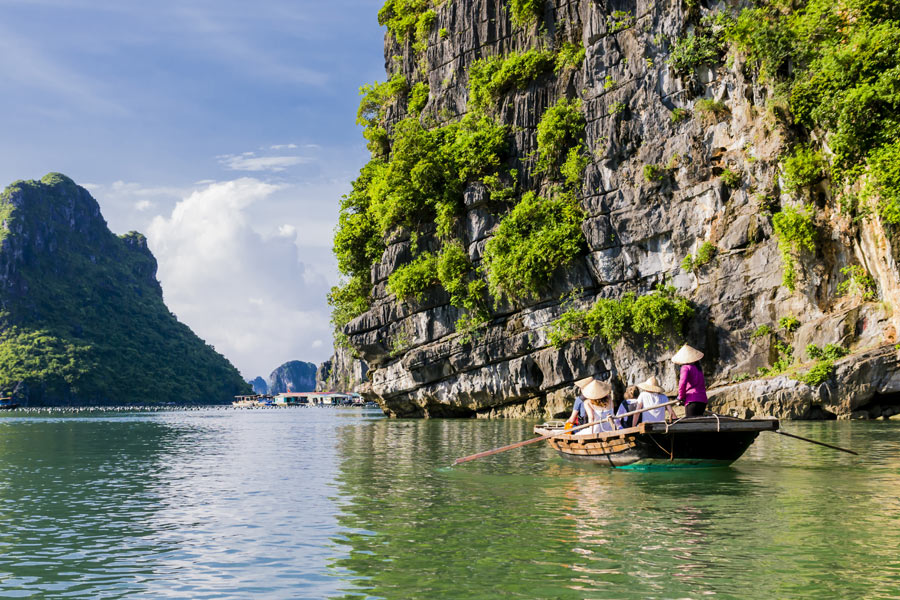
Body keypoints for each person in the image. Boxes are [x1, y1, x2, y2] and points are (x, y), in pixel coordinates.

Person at [672, 344, 708, 417]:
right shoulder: (699, 369)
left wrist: (681, 397)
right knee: (698, 425)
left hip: (692, 400)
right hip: (702, 401)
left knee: (691, 424)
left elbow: (682, 383)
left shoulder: (685, 368)